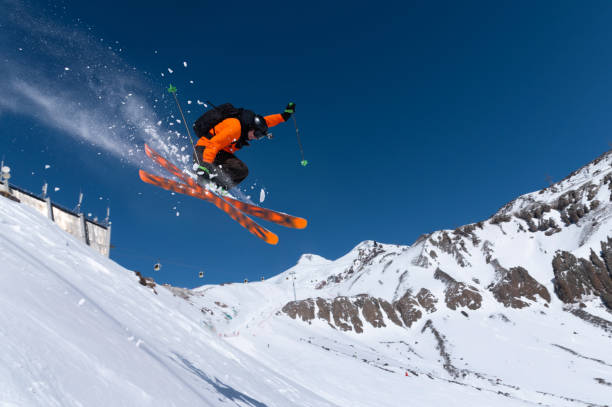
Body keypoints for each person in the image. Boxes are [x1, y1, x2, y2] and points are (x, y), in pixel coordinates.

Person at [192, 102, 296, 191]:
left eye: (259, 137)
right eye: (256, 135)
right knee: (209, 164)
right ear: (251, 128)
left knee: (241, 171)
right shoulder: (235, 128)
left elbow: (267, 121)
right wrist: (204, 166)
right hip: (204, 150)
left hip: (219, 153)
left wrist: (284, 116)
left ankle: (217, 186)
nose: (256, 138)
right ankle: (204, 175)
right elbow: (214, 144)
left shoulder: (250, 125)